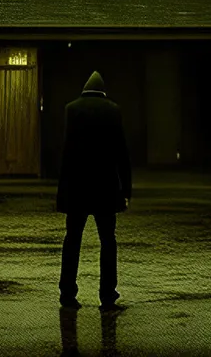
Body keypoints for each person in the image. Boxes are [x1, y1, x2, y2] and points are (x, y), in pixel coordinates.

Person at [56, 70, 132, 311]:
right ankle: (107, 294)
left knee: (72, 240)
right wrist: (126, 189)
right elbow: (122, 152)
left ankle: (67, 292)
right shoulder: (113, 110)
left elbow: (66, 153)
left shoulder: (72, 109)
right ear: (103, 90)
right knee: (108, 241)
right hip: (105, 188)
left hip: (77, 188)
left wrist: (62, 192)